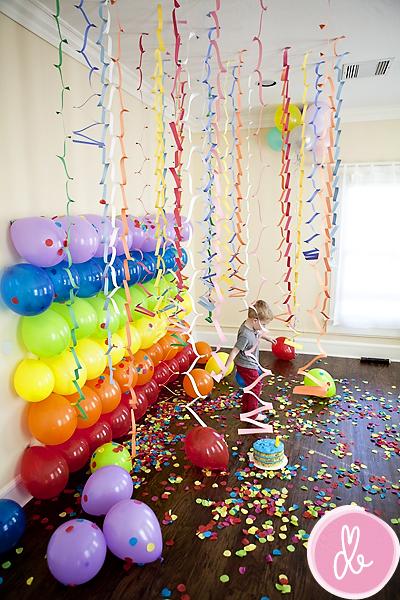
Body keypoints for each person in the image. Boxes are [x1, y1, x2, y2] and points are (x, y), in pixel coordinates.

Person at [222, 300, 276, 418]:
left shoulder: (251, 325)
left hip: (250, 363)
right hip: (247, 366)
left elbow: (258, 333)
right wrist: (226, 367)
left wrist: (268, 338)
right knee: (255, 387)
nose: (264, 327)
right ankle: (253, 415)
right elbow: (234, 351)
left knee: (249, 386)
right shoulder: (245, 335)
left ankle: (247, 408)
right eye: (264, 324)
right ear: (255, 320)